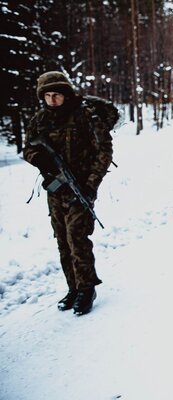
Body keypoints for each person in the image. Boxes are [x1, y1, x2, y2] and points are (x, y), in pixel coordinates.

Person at [23, 71, 118, 316]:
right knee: (63, 240)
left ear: (66, 94)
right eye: (48, 96)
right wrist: (42, 162)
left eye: (57, 95)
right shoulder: (39, 120)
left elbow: (104, 152)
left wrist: (90, 184)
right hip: (56, 189)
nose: (53, 100)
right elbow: (29, 149)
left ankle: (87, 288)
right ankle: (73, 287)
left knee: (77, 237)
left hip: (81, 187)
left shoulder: (84, 116)